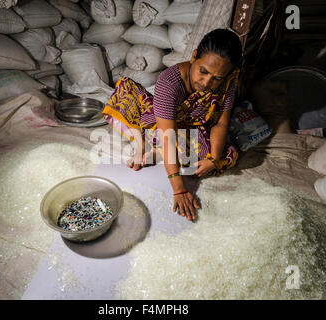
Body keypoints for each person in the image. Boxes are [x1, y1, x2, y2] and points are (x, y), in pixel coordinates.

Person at [102, 29, 242, 222]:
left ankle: (158, 153)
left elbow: (220, 122)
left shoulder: (228, 82)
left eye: (216, 78)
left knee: (210, 158)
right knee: (125, 97)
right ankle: (143, 144)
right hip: (164, 125)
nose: (207, 82)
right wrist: (179, 188)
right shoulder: (169, 81)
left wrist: (214, 157)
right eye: (203, 71)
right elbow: (168, 135)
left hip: (193, 126)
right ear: (194, 57)